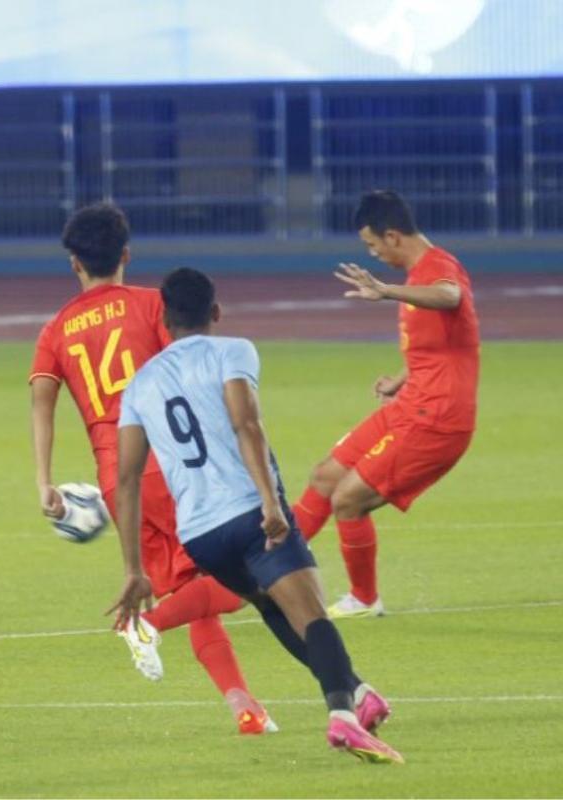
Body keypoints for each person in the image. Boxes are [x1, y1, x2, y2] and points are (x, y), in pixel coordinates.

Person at [108, 267, 402, 764]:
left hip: (199, 534)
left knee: (271, 605)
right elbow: (247, 425)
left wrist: (134, 570)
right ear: (216, 313)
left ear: (164, 319)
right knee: (310, 613)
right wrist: (270, 503)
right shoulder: (233, 351)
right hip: (248, 511)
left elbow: (127, 481)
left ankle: (359, 691)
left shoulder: (138, 386)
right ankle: (344, 719)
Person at [30, 204, 276, 735]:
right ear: (125, 255)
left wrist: (44, 480)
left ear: (74, 263)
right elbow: (189, 370)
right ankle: (145, 626)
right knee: (253, 579)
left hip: (117, 482)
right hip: (172, 465)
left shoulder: (55, 330)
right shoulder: (150, 308)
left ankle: (245, 707)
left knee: (193, 590)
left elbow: (42, 403)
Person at [290, 190, 480, 618]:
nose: (372, 253)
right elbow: (442, 348)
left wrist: (386, 292)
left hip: (438, 420)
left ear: (392, 236)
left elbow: (451, 297)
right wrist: (401, 378)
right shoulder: (418, 274)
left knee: (347, 500)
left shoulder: (438, 268)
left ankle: (364, 598)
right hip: (410, 404)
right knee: (324, 476)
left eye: (372, 244)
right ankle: (272, 575)